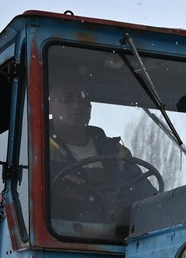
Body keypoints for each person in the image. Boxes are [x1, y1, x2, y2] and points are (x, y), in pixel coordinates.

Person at [44, 81, 158, 237]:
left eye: (84, 100)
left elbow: (146, 198)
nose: (77, 105)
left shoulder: (117, 153)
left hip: (123, 240)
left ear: (90, 109)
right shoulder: (39, 151)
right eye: (66, 99)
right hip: (65, 241)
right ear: (50, 107)